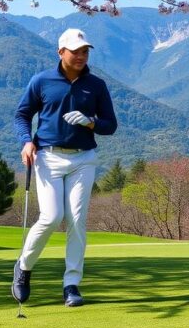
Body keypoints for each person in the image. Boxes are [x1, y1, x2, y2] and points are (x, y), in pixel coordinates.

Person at [11, 28, 118, 308]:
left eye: (85, 51)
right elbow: (22, 115)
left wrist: (90, 122)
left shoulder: (96, 85)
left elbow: (110, 125)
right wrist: (25, 142)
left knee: (76, 220)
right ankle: (23, 267)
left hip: (83, 159)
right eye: (76, 51)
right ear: (61, 52)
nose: (81, 55)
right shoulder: (42, 81)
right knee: (51, 216)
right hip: (48, 157)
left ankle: (71, 284)